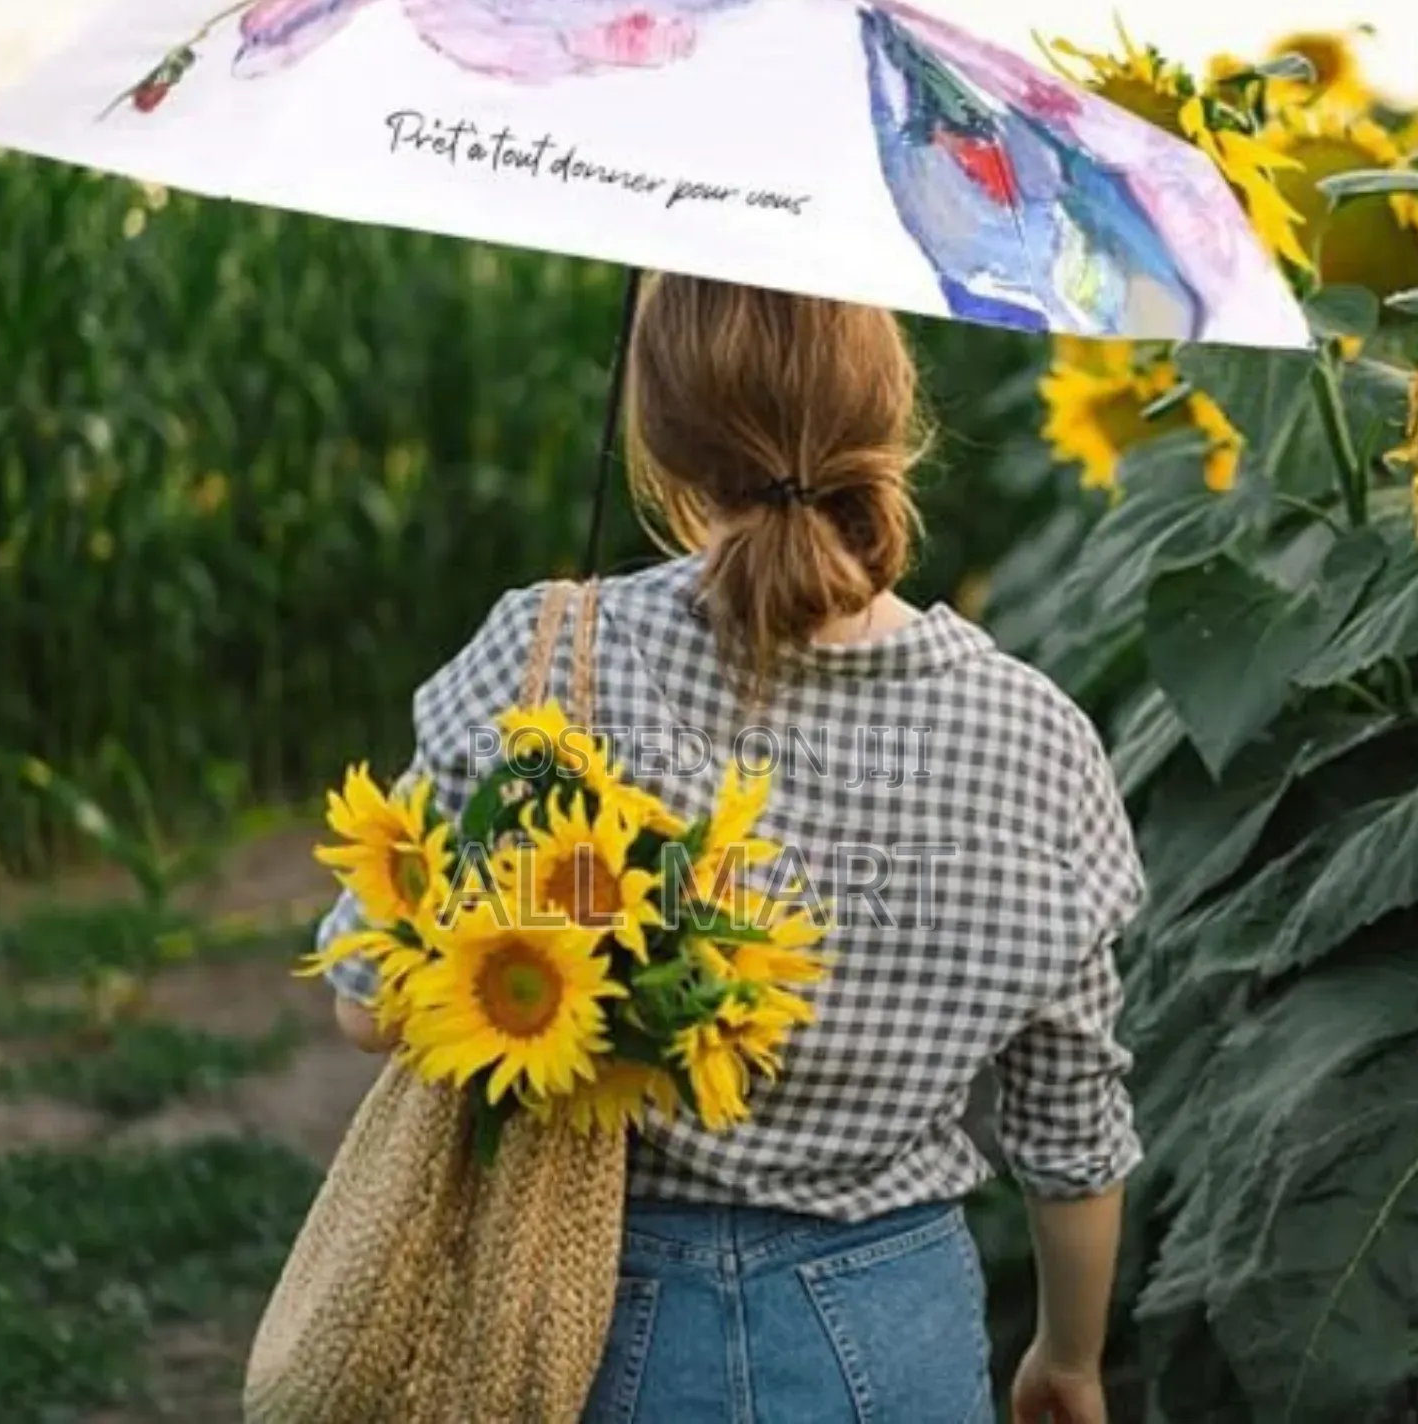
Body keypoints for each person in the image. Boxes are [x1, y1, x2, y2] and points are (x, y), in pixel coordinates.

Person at [317, 274, 1145, 1424]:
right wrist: (1068, 1354)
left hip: (591, 1317)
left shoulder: (550, 652)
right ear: (892, 418)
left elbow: (367, 1003)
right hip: (894, 1321)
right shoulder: (1037, 735)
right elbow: (1069, 1122)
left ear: (657, 439)